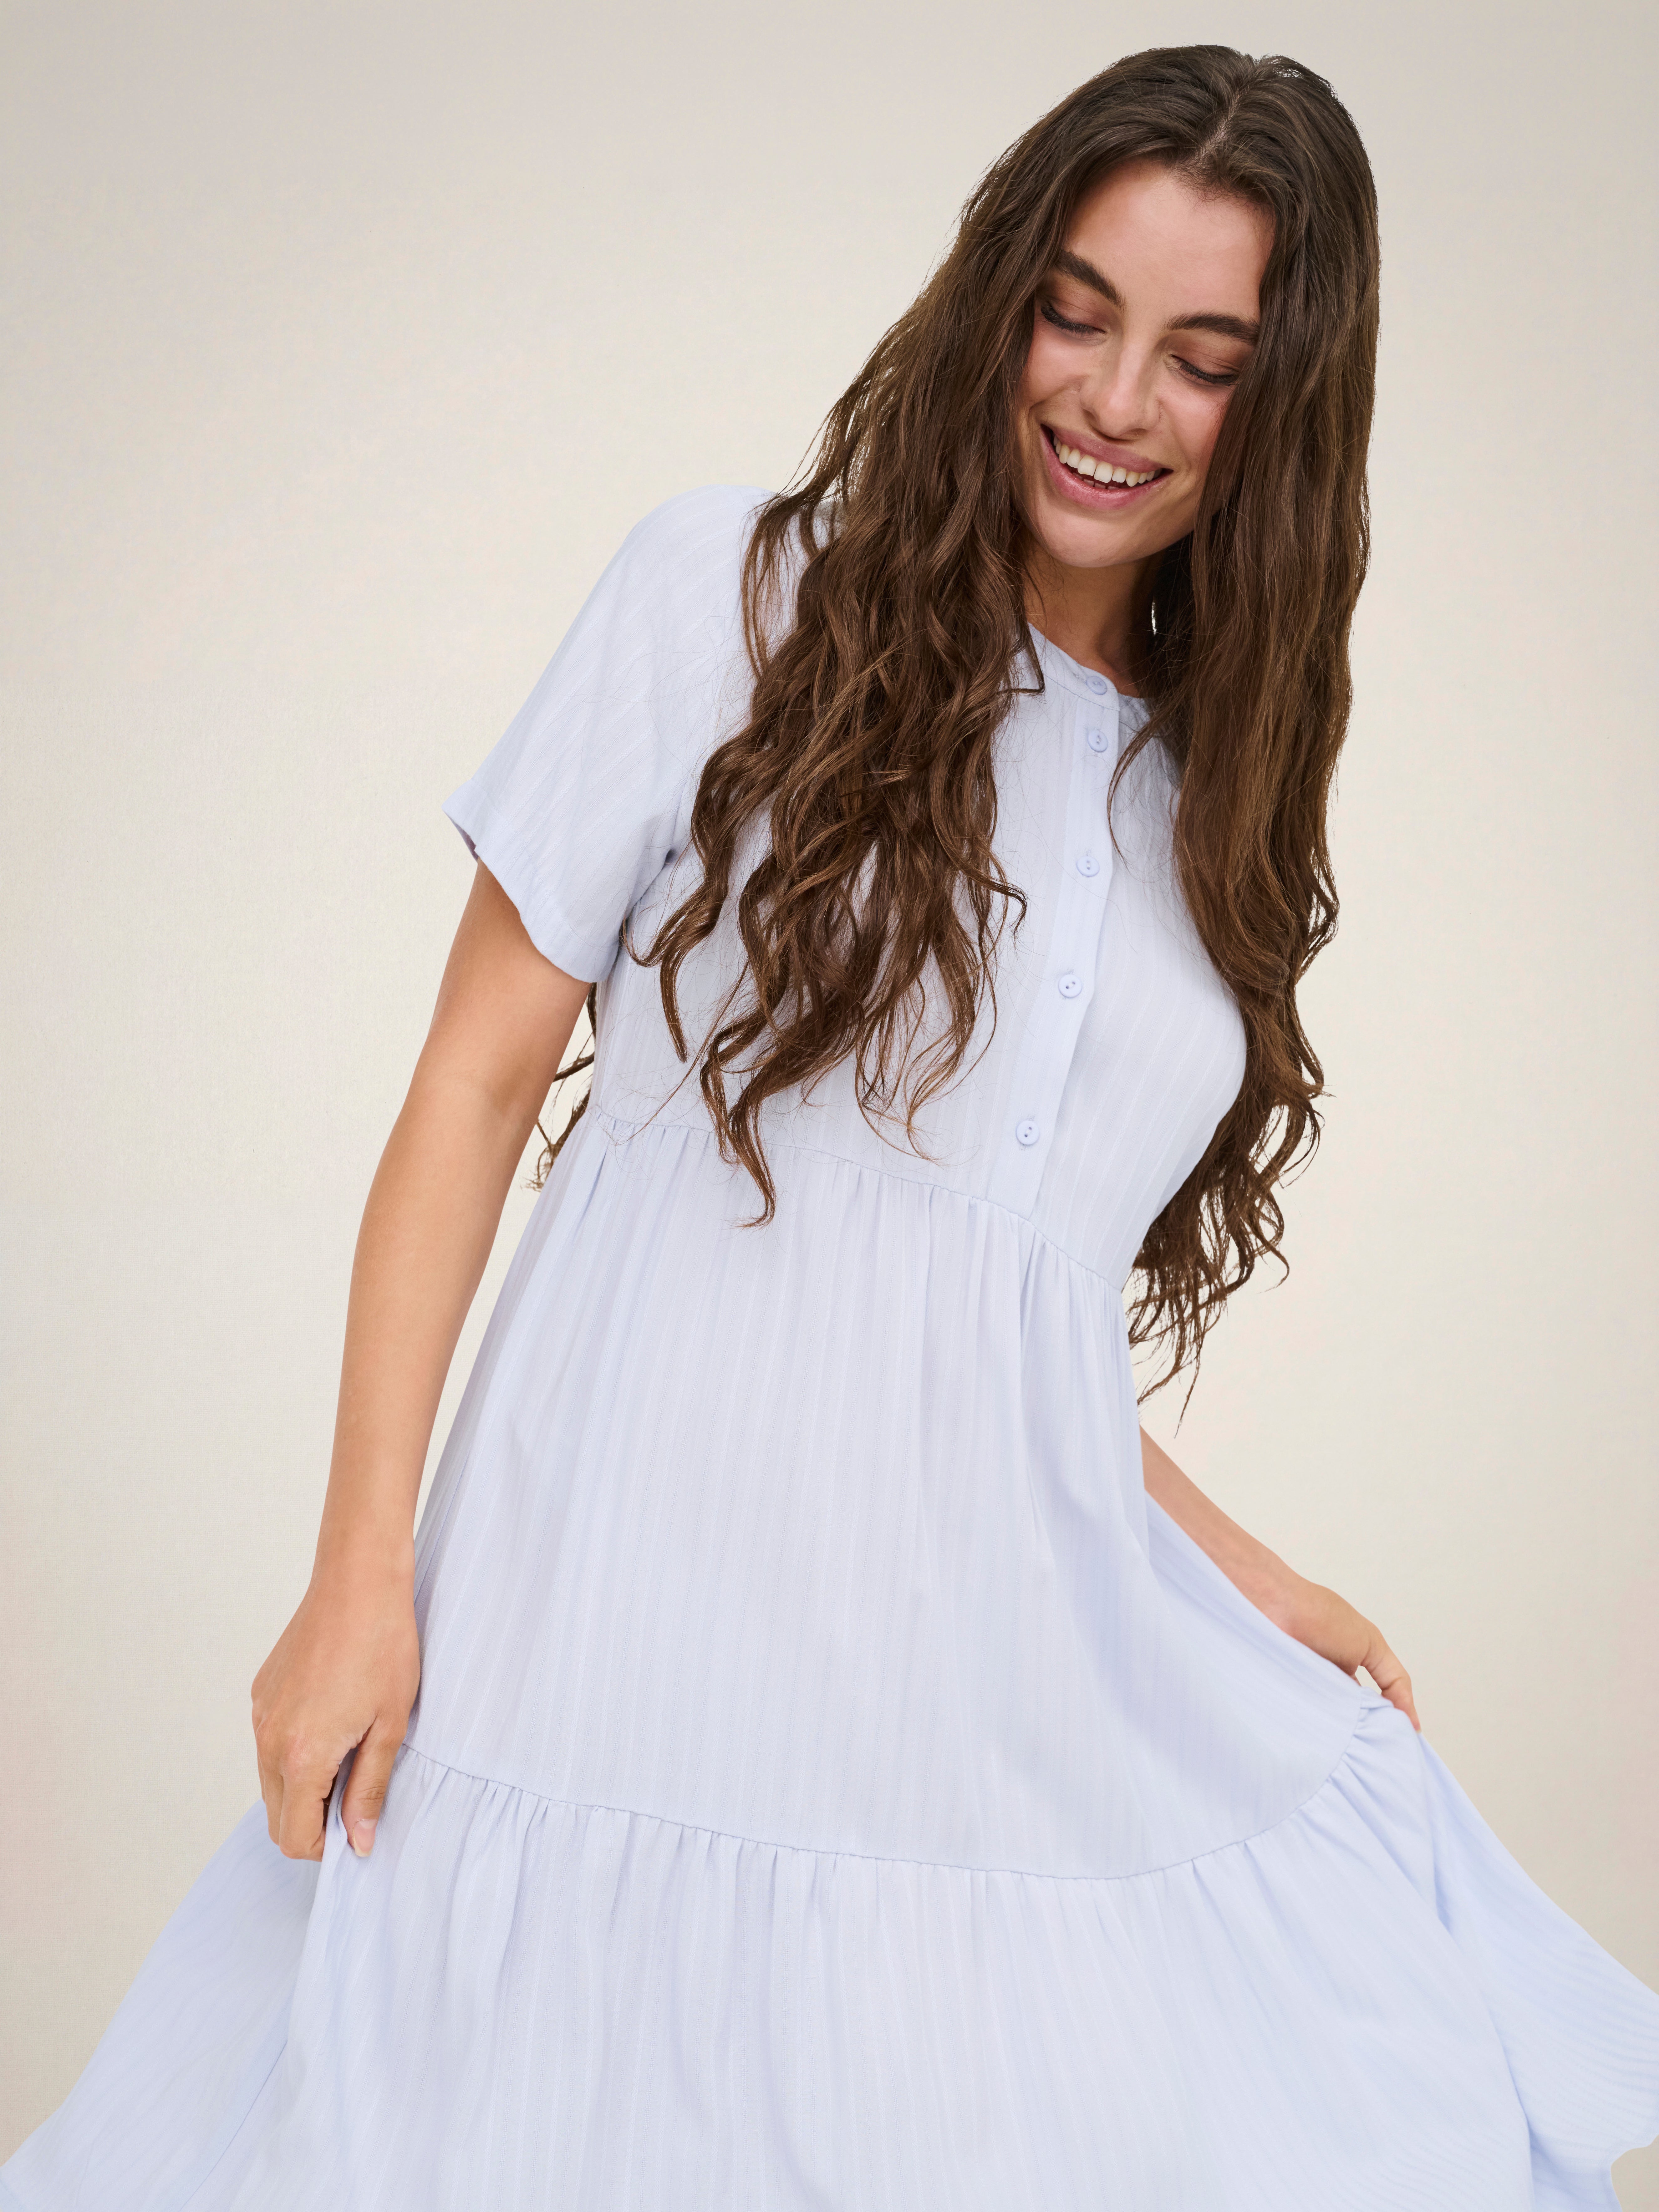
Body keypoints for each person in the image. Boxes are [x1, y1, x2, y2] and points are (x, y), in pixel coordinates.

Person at [6, 42, 1656, 2212]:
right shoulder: (728, 596)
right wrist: (356, 1577)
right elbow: (473, 1087)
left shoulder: (1204, 811)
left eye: (1203, 358)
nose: (1115, 400)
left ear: (1286, 406)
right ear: (997, 296)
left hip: (973, 1695)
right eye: (1075, 312)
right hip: (609, 1633)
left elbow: (982, 1303)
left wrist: (1242, 1576)